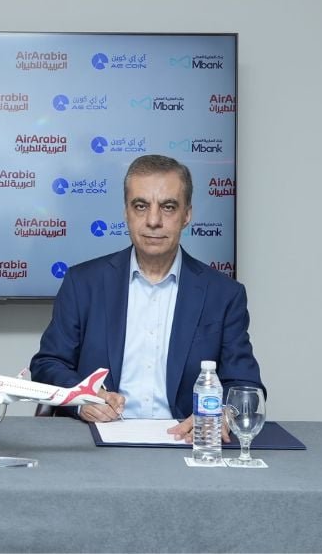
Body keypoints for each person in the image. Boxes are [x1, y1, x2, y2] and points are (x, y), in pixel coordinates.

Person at [30, 154, 263, 441]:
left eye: (168, 207)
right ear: (126, 212)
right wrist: (82, 398)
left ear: (187, 215)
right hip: (96, 442)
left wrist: (221, 414)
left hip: (187, 443)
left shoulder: (224, 294)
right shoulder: (83, 283)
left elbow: (246, 386)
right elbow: (47, 364)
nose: (153, 221)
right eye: (141, 206)